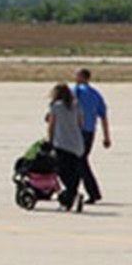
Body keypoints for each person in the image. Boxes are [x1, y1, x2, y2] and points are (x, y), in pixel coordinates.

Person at [72, 68, 110, 204]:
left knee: (79, 162)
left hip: (77, 131)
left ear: (82, 77)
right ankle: (76, 191)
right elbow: (103, 116)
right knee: (80, 161)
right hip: (90, 132)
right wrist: (106, 137)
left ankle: (91, 192)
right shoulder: (96, 94)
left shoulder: (76, 90)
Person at [46, 83, 86, 211]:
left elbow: (51, 126)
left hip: (62, 144)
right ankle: (72, 195)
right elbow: (81, 123)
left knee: (63, 172)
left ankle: (71, 195)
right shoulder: (77, 105)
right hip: (77, 144)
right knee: (74, 172)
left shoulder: (55, 107)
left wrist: (50, 141)